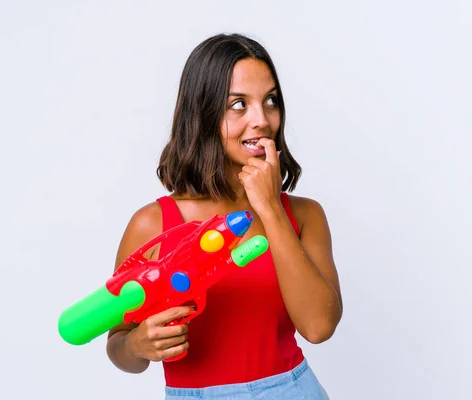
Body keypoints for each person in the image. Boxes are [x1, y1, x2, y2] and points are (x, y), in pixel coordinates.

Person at [106, 33, 343, 399]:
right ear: (202, 111)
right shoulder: (153, 224)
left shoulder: (304, 215)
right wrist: (137, 345)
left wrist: (270, 208)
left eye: (270, 101)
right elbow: (118, 346)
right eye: (238, 104)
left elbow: (318, 327)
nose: (261, 120)